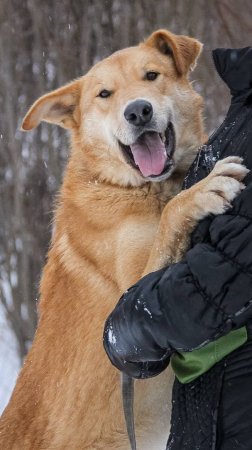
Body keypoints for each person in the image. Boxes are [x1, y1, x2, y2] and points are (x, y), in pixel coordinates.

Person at [103, 47, 252, 449]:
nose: (135, 103)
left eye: (151, 75)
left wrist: (127, 325)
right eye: (106, 94)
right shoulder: (243, 99)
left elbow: (189, 301)